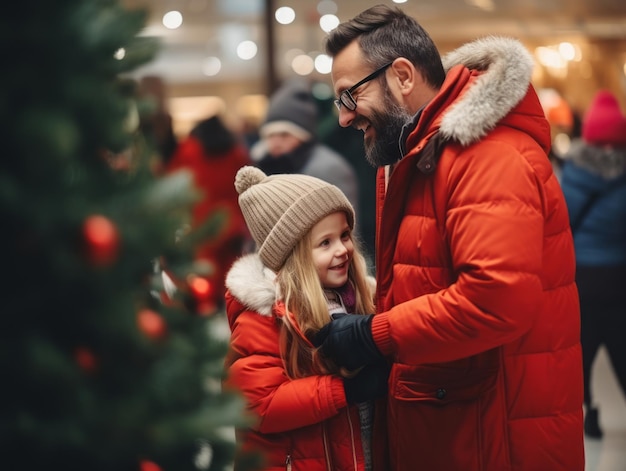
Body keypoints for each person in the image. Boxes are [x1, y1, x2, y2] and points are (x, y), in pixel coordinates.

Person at [313, 4, 584, 470]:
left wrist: (376, 335)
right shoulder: (416, 152)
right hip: (455, 426)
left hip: (493, 438)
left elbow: (495, 297)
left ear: (401, 75)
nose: (343, 118)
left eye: (349, 96)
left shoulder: (489, 155)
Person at [223, 166, 388, 471]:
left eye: (345, 235)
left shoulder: (360, 300)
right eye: (325, 243)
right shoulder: (263, 318)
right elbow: (260, 404)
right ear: (294, 256)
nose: (343, 250)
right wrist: (345, 390)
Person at [560, 90, 626, 439]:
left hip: (581, 277)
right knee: (621, 349)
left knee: (581, 351)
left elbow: (561, 220)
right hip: (619, 279)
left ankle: (591, 413)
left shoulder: (573, 171)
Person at [167, 115, 252, 313]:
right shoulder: (235, 149)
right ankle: (234, 315)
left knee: (206, 275)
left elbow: (174, 182)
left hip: (204, 223)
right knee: (232, 274)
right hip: (233, 222)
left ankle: (207, 316)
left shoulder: (190, 149)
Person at [251, 78, 360, 222]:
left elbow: (344, 228)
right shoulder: (267, 166)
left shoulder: (329, 169)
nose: (276, 142)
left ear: (303, 136)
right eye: (270, 135)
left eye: (285, 134)